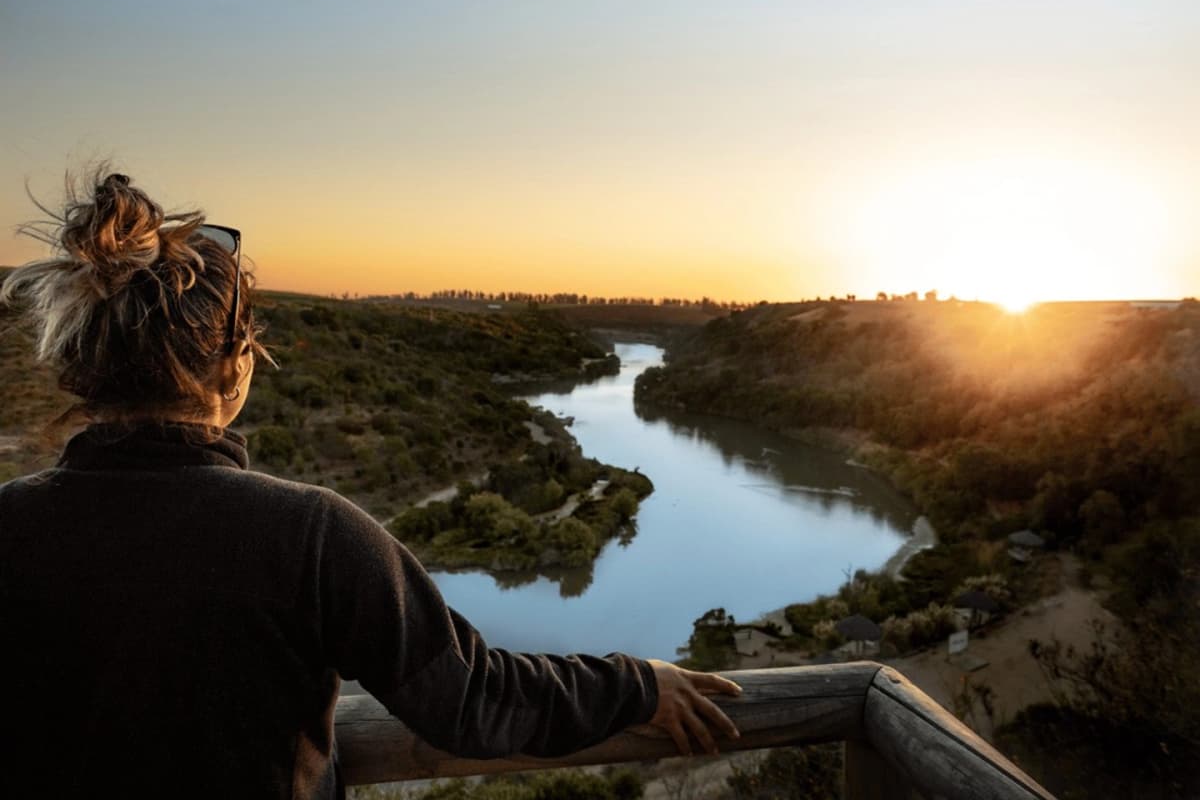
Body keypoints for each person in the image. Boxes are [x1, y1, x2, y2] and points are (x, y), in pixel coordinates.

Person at [0, 169, 740, 799]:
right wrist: (637, 685)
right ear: (236, 364)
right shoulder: (309, 536)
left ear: (78, 373)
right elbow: (473, 699)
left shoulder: (12, 520)